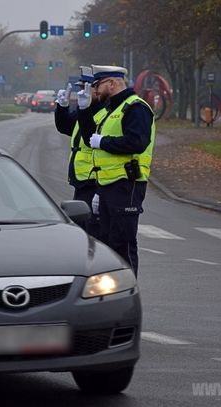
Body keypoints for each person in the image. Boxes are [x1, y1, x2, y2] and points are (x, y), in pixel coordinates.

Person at [76, 65, 156, 276]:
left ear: (111, 83)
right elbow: (89, 139)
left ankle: (127, 293)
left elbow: (137, 142)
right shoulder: (111, 110)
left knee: (123, 245)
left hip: (126, 185)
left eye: (98, 85)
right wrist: (84, 111)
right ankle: (110, 292)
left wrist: (105, 142)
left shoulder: (135, 108)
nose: (96, 91)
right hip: (107, 187)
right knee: (106, 244)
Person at [54, 66, 107, 238]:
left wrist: (100, 190)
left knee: (92, 233)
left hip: (94, 181)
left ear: (96, 88)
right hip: (81, 180)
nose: (81, 92)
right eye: (79, 87)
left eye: (85, 87)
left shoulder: (102, 111)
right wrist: (62, 107)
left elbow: (90, 137)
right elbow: (66, 127)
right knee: (81, 230)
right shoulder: (85, 108)